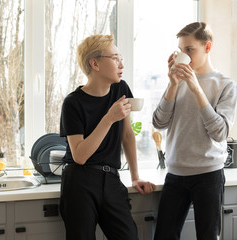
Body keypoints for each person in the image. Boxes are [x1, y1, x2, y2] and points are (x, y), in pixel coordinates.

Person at [59, 34, 156, 240]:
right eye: (114, 58)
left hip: (111, 178)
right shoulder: (72, 103)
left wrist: (135, 175)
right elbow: (79, 156)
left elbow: (127, 134)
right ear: (94, 63)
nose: (121, 63)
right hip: (80, 180)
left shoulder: (121, 89)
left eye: (121, 57)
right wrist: (109, 118)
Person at [152, 22, 237, 240]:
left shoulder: (226, 85)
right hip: (176, 172)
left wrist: (196, 89)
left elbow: (220, 133)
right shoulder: (176, 81)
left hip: (208, 174)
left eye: (190, 50)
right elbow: (159, 122)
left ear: (207, 47)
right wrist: (172, 84)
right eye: (180, 50)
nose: (184, 55)